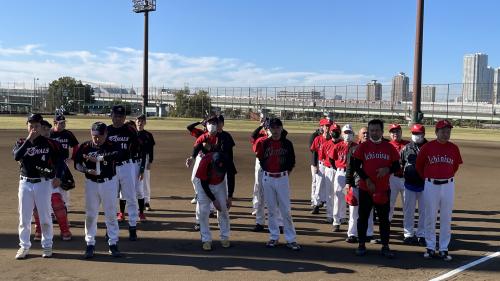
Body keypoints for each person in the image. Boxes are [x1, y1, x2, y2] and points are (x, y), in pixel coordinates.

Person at [13, 114, 65, 259]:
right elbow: (17, 156)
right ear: (27, 126)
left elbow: (61, 161)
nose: (34, 128)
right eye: (31, 125)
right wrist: (29, 140)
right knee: (24, 218)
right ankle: (23, 247)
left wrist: (59, 176)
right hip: (25, 183)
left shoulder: (50, 143)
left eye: (36, 126)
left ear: (41, 127)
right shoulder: (21, 142)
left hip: (43, 183)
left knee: (45, 216)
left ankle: (47, 246)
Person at [353, 119, 400, 258]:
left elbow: (397, 166)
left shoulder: (389, 147)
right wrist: (367, 180)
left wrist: (387, 169)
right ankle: (361, 244)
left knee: (384, 219)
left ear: (382, 131)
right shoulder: (363, 147)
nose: (374, 133)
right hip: (366, 189)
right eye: (371, 130)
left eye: (377, 130)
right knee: (363, 218)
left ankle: (385, 246)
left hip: (383, 189)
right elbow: (356, 166)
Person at [417, 120, 462, 261]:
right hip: (431, 184)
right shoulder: (427, 147)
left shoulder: (453, 148)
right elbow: (419, 166)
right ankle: (430, 247)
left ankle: (443, 248)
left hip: (448, 184)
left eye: (448, 130)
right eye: (443, 130)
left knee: (446, 218)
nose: (446, 133)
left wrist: (445, 176)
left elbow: (455, 167)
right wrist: (429, 178)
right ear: (436, 132)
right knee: (430, 216)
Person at [74, 122, 122, 258]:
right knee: (90, 214)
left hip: (109, 183)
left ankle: (113, 243)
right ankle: (90, 244)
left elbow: (118, 154)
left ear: (106, 134)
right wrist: (86, 169)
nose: (96, 138)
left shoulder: (112, 145)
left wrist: (99, 158)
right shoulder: (85, 146)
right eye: (94, 135)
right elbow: (77, 163)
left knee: (111, 214)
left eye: (100, 136)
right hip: (91, 183)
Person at [255, 118, 301, 251]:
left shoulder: (287, 144)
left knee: (286, 210)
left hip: (282, 178)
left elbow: (292, 161)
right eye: (272, 128)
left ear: (281, 128)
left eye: (277, 127)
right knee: (271, 209)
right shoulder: (264, 143)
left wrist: (285, 173)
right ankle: (274, 237)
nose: (275, 130)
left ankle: (291, 239)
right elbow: (261, 158)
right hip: (268, 178)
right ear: (268, 129)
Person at [32, 120, 72, 241]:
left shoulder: (54, 144)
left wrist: (59, 176)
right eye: (44, 128)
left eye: (48, 129)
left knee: (58, 203)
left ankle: (64, 230)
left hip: (52, 179)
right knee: (37, 205)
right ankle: (39, 229)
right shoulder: (31, 143)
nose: (47, 131)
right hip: (37, 180)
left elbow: (62, 161)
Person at [107, 105, 140, 240]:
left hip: (127, 166)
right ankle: (110, 228)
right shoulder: (107, 130)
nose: (118, 119)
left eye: (121, 116)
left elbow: (136, 146)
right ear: (112, 116)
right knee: (110, 198)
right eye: (115, 116)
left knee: (131, 197)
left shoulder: (130, 130)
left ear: (124, 118)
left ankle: (132, 227)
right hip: (111, 167)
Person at [250, 117, 284, 233]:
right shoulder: (261, 140)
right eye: (270, 127)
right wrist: (261, 126)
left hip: (276, 169)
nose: (272, 130)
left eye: (275, 127)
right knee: (260, 195)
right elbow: (253, 139)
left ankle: (279, 223)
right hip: (262, 168)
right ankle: (259, 222)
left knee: (278, 197)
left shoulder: (281, 139)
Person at [194, 152, 231, 251]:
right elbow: (204, 184)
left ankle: (225, 237)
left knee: (223, 209)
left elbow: (231, 177)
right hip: (204, 186)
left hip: (220, 184)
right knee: (203, 212)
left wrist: (230, 197)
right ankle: (206, 240)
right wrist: (214, 200)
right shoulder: (205, 162)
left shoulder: (227, 160)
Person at [344, 126, 375, 243]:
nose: (366, 135)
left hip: (370, 185)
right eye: (364, 133)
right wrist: (348, 183)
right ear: (359, 136)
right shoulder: (353, 149)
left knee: (369, 211)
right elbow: (349, 168)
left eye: (367, 133)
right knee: (354, 211)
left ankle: (369, 233)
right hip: (357, 184)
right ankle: (352, 234)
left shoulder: (374, 148)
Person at [400, 124, 428, 246]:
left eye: (418, 134)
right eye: (414, 133)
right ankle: (408, 234)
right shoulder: (406, 148)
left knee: (424, 212)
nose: (416, 136)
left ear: (423, 134)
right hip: (409, 184)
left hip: (425, 185)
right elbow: (400, 163)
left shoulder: (429, 148)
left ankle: (421, 234)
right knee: (408, 211)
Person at [329, 124, 356, 232]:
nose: (347, 135)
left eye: (349, 132)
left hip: (353, 175)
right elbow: (331, 159)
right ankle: (336, 221)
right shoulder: (338, 145)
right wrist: (338, 168)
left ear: (353, 134)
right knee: (338, 196)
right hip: (340, 173)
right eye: (345, 132)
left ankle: (347, 219)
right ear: (342, 134)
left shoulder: (356, 146)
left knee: (351, 197)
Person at [50, 114, 79, 209]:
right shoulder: (49, 133)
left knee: (65, 184)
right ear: (54, 123)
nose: (63, 125)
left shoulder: (68, 134)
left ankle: (64, 205)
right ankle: (51, 206)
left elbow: (75, 146)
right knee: (51, 184)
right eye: (61, 123)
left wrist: (73, 158)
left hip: (63, 163)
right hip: (51, 163)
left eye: (64, 123)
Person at [310, 118, 333, 215]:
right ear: (322, 127)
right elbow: (314, 152)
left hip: (331, 166)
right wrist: (315, 165)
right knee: (318, 185)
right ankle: (316, 204)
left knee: (329, 185)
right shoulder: (318, 139)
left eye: (329, 125)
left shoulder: (333, 139)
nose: (327, 127)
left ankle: (328, 204)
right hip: (320, 164)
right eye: (326, 126)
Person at [388, 124, 409, 222]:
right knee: (389, 203)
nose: (395, 133)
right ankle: (386, 225)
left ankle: (408, 230)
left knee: (407, 205)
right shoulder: (387, 146)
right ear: (390, 134)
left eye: (397, 131)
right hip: (392, 178)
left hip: (406, 179)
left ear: (401, 132)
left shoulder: (409, 145)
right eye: (393, 132)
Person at [136, 114, 156, 211]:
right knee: (134, 180)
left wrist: (150, 161)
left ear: (145, 123)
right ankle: (137, 201)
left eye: (142, 121)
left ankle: (146, 202)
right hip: (134, 159)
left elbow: (151, 150)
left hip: (146, 159)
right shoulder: (132, 134)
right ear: (135, 122)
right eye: (138, 120)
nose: (140, 122)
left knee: (145, 181)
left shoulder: (148, 135)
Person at [186, 119, 206, 204]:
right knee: (194, 178)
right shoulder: (200, 133)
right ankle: (198, 195)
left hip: (209, 159)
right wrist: (199, 122)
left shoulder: (215, 135)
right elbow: (189, 127)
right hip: (199, 157)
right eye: (206, 124)